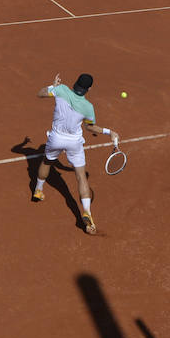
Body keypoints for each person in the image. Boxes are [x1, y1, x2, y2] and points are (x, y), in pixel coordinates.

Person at [32, 72, 117, 236]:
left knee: (46, 162)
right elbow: (90, 128)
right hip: (74, 143)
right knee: (81, 177)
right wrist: (110, 132)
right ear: (89, 89)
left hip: (56, 138)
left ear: (75, 83)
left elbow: (40, 93)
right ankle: (87, 213)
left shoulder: (62, 90)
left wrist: (53, 86)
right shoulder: (88, 107)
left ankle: (38, 190)